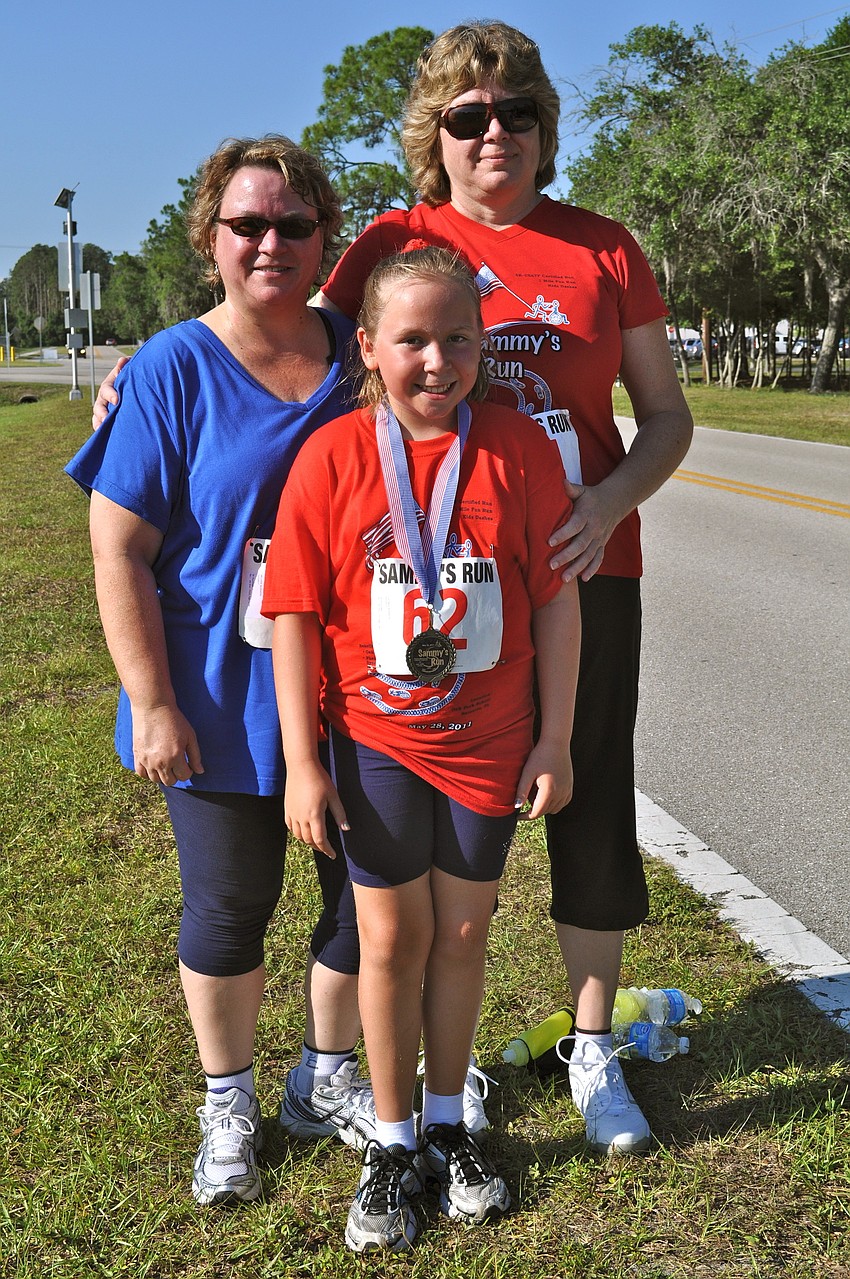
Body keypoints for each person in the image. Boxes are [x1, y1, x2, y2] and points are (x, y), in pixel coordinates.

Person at [316, 20, 694, 1156]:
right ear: (435, 134)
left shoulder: (602, 249)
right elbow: (296, 356)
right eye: (468, 117)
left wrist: (609, 499)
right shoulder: (394, 238)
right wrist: (141, 369)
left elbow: (667, 416)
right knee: (407, 819)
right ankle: (423, 1066)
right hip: (414, 588)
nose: (495, 135)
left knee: (584, 801)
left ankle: (591, 1046)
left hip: (578, 574)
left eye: (516, 113)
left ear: (543, 129)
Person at [65, 135, 384, 1208]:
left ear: (325, 240)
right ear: (209, 239)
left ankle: (324, 1079)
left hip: (359, 689)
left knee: (364, 895)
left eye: (295, 225)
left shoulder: (365, 356)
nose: (271, 243)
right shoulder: (167, 369)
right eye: (247, 224)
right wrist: (152, 701)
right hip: (213, 691)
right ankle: (229, 1102)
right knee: (228, 905)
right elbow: (120, 546)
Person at [261, 246, 581, 1252]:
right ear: (367, 348)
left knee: (460, 937)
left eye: (457, 339)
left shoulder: (517, 449)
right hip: (378, 744)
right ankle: (391, 1141)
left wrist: (556, 736)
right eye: (411, 340)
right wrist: (305, 761)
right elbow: (294, 616)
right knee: (390, 941)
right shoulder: (334, 457)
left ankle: (451, 1121)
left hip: (487, 747)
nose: (436, 360)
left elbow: (555, 602)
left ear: (482, 346)